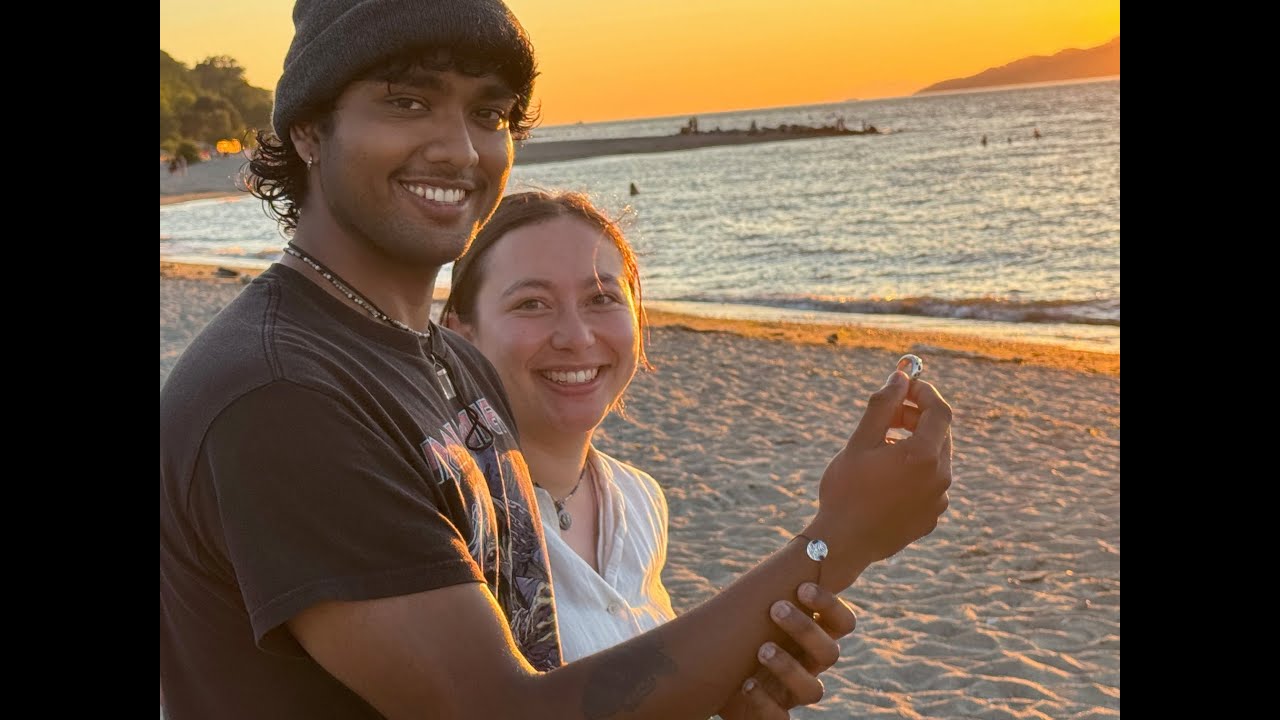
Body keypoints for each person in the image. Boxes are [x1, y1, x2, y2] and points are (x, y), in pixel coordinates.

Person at [158, 1, 954, 718]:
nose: (460, 149)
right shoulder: (281, 395)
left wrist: (714, 689)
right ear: (308, 127)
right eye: (406, 102)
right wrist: (839, 538)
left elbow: (532, 660)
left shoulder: (445, 365)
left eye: (490, 112)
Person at [440, 190, 852, 717]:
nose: (576, 335)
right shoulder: (453, 513)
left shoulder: (638, 500)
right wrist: (844, 535)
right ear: (459, 332)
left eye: (602, 298)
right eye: (531, 304)